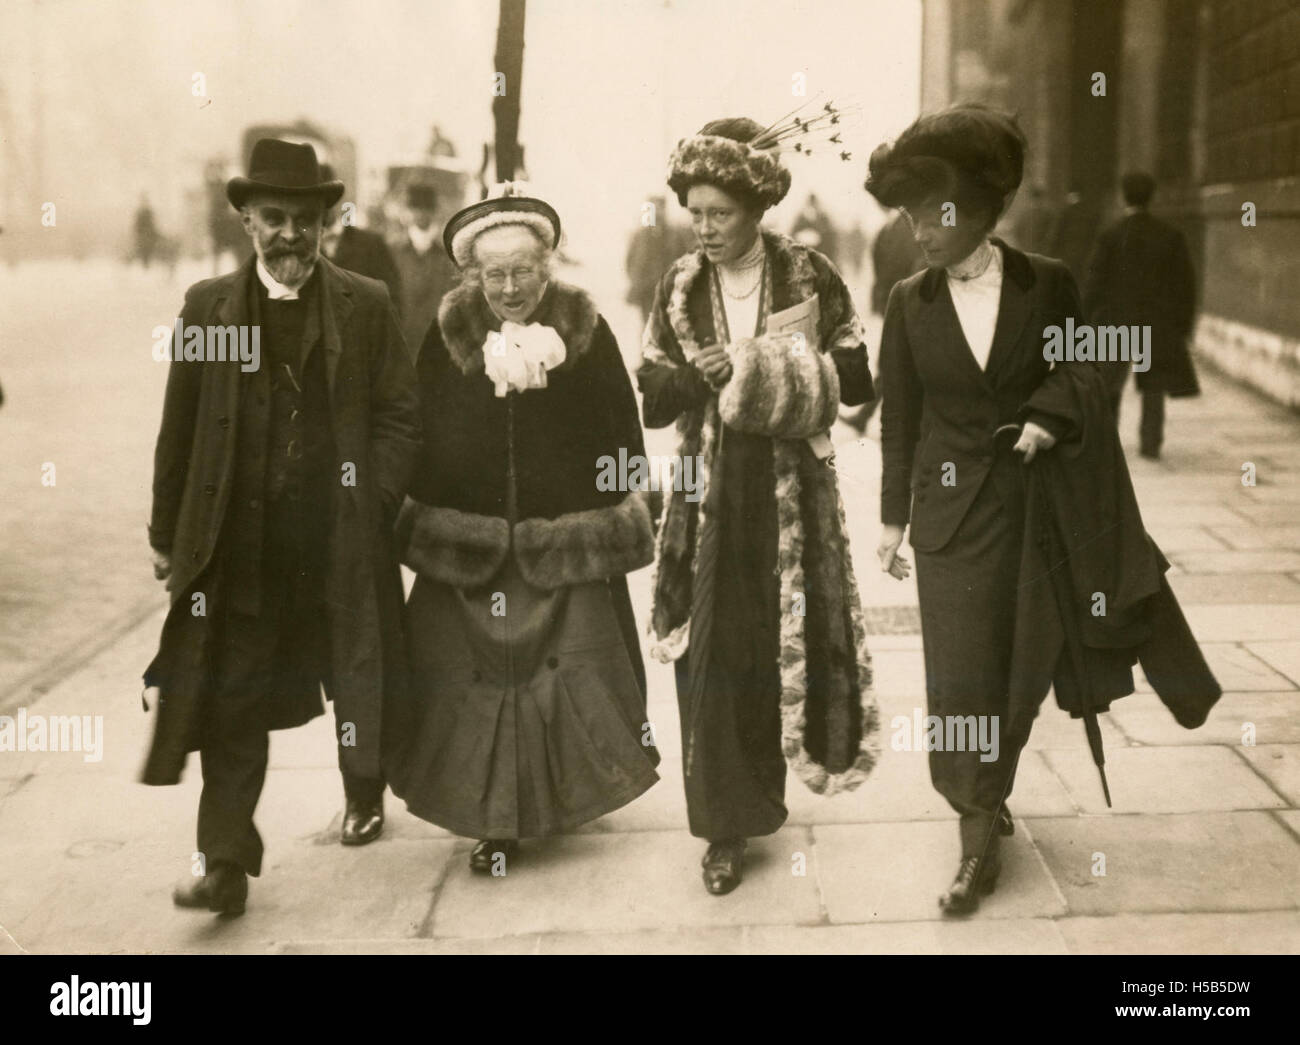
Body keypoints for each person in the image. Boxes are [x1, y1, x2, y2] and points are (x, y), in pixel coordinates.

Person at [142, 139, 420, 915]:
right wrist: (169, 534)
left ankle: (364, 791)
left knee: (355, 665)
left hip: (338, 535)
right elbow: (180, 427)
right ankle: (225, 861)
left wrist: (376, 496)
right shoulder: (210, 310)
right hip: (242, 544)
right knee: (232, 695)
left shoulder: (364, 303)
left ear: (328, 222)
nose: (291, 234)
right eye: (274, 218)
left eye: (306, 218)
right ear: (245, 220)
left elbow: (401, 414)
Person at [868, 104, 1103, 915]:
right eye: (909, 216)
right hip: (948, 521)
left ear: (980, 211)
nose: (920, 232)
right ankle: (975, 833)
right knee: (961, 679)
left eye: (935, 215)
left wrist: (1048, 410)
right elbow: (899, 413)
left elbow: (1085, 367)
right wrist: (892, 519)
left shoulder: (1049, 283)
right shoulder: (908, 300)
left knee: (1020, 673)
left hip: (1034, 512)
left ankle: (989, 783)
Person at [638, 118, 880, 896]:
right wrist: (699, 376)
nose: (705, 228)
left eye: (720, 213)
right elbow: (651, 394)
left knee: (775, 646)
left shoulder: (808, 275)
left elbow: (857, 373)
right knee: (708, 653)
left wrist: (765, 367)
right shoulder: (677, 285)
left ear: (756, 207)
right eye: (696, 211)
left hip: (790, 495)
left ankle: (759, 796)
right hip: (707, 494)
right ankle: (720, 827)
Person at [388, 184, 659, 874]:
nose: (510, 288)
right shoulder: (449, 330)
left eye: (524, 271)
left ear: (550, 266)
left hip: (561, 539)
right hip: (472, 543)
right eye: (494, 273)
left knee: (570, 676)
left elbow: (619, 427)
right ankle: (498, 821)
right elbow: (418, 427)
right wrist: (406, 505)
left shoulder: (585, 327)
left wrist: (616, 509)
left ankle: (556, 802)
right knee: (474, 685)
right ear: (474, 275)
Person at [1083, 171, 1199, 458]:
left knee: (1110, 383)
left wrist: (1083, 319)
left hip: (1116, 320)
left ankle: (1107, 443)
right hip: (1157, 322)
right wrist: (1183, 326)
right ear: (1152, 196)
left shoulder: (1111, 235)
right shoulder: (1170, 235)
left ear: (1124, 196)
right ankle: (1150, 443)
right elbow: (1185, 284)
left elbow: (1094, 283)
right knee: (1154, 386)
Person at [319, 164, 404, 317]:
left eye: (327, 198)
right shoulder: (297, 247)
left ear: (337, 199)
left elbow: (392, 302)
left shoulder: (371, 245)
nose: (321, 206)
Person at [393, 182, 460, 360]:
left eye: (426, 208)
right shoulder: (392, 252)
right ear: (408, 212)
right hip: (401, 345)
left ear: (434, 212)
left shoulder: (449, 255)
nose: (421, 213)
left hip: (438, 347)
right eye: (416, 207)